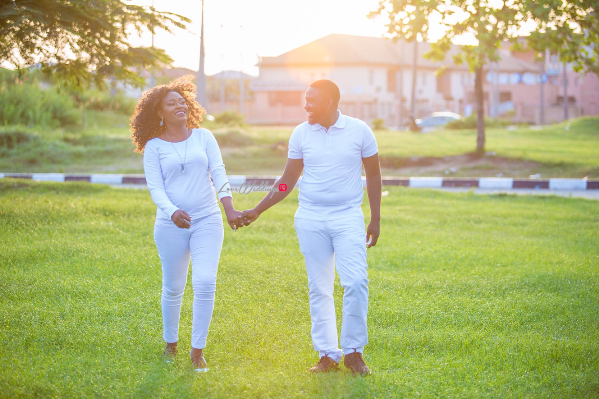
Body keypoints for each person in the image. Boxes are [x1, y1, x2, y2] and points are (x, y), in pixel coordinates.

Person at [240, 80, 382, 375]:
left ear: (330, 101)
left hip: (347, 217)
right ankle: (327, 354)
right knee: (319, 288)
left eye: (311, 101)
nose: (305, 106)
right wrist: (258, 209)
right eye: (305, 100)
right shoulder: (301, 133)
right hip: (311, 218)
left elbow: (374, 175)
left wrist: (376, 218)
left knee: (355, 283)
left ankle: (354, 353)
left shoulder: (359, 130)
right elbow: (287, 179)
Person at [130, 76, 245, 372]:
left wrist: (229, 207)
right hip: (170, 225)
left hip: (207, 218)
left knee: (205, 282)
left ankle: (197, 350)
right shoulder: (154, 147)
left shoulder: (204, 137)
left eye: (182, 101)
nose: (179, 106)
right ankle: (171, 342)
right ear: (160, 112)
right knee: (173, 287)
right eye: (171, 103)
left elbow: (218, 171)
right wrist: (171, 212)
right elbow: (155, 187)